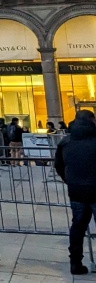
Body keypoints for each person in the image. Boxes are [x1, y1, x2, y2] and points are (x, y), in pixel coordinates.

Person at [55, 109, 96, 275]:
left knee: (78, 226)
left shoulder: (66, 141)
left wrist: (70, 180)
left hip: (76, 190)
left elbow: (59, 165)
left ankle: (75, 262)